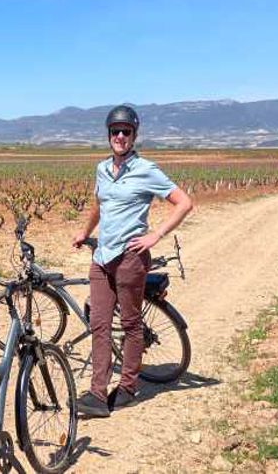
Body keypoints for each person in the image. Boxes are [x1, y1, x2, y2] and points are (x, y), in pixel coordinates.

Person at [72, 105, 193, 418]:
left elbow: (184, 203)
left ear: (134, 135)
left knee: (130, 323)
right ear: (108, 135)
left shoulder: (146, 169)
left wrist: (155, 235)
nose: (120, 136)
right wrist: (84, 232)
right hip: (102, 258)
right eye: (115, 131)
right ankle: (97, 395)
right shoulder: (101, 169)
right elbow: (99, 205)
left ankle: (127, 388)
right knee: (98, 325)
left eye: (126, 131)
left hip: (130, 258)